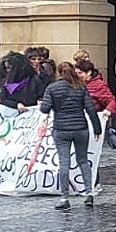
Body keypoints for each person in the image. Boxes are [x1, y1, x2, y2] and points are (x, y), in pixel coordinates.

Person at [39, 61, 101, 211]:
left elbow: (44, 109)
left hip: (61, 129)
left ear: (59, 73)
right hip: (81, 128)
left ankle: (64, 197)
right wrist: (97, 128)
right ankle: (89, 193)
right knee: (83, 160)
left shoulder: (52, 88)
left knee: (64, 162)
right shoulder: (80, 87)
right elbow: (90, 109)